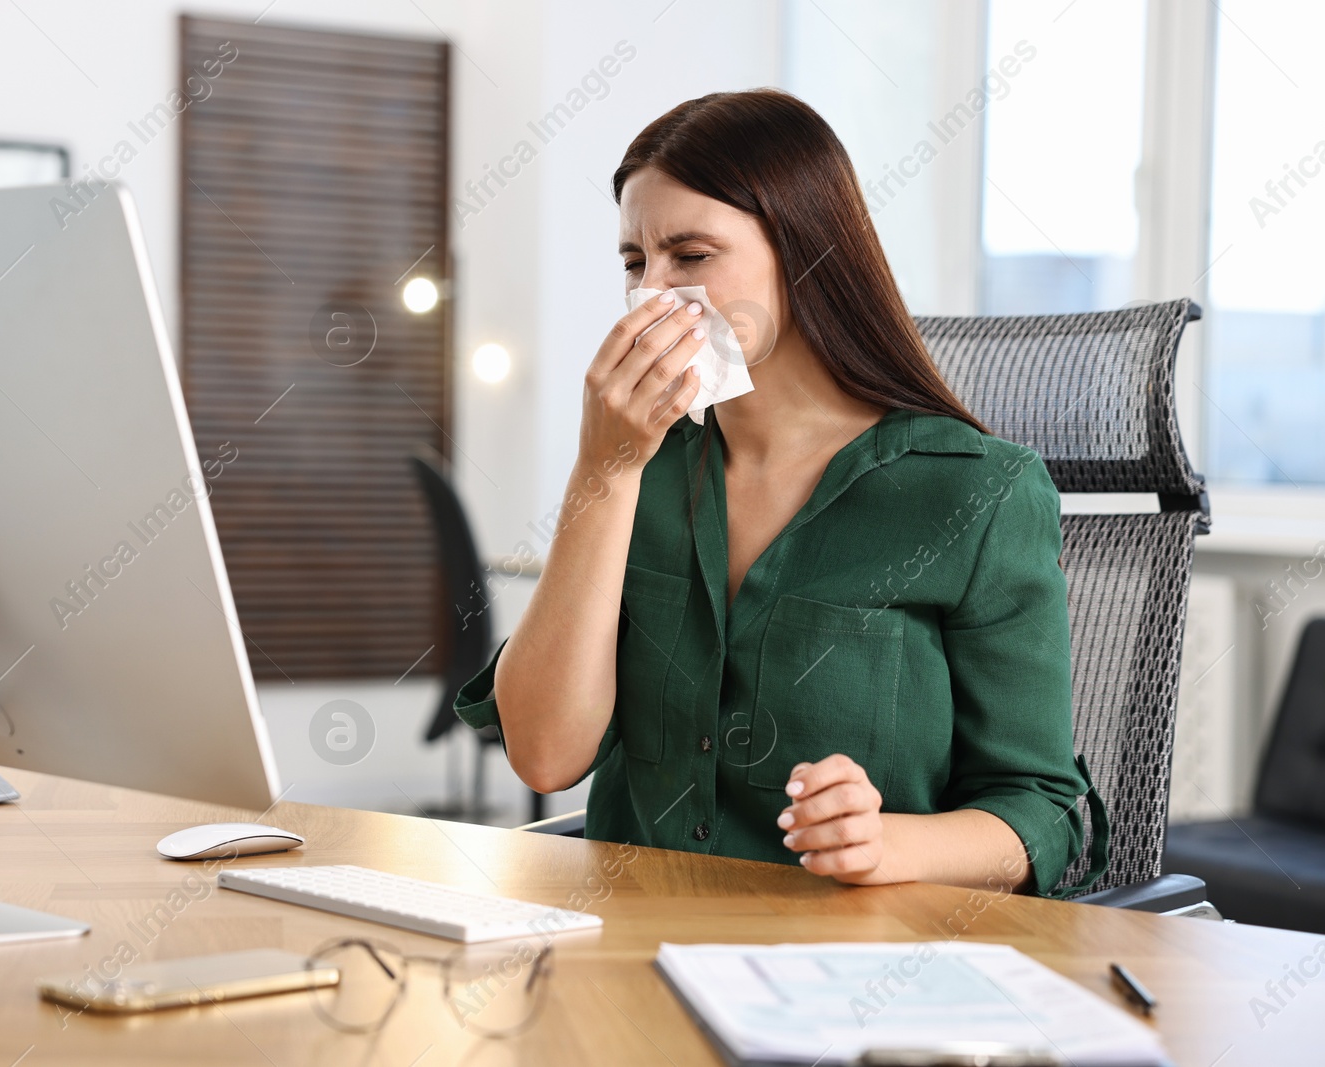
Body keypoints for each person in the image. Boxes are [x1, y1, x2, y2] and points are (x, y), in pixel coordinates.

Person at [454, 89, 1105, 896]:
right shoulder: (639, 467)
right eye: (634, 260)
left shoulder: (977, 492)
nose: (653, 291)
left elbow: (1040, 809)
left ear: (807, 255)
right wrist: (603, 471)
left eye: (690, 256)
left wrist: (886, 844)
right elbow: (546, 753)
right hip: (624, 945)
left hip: (842, 970)